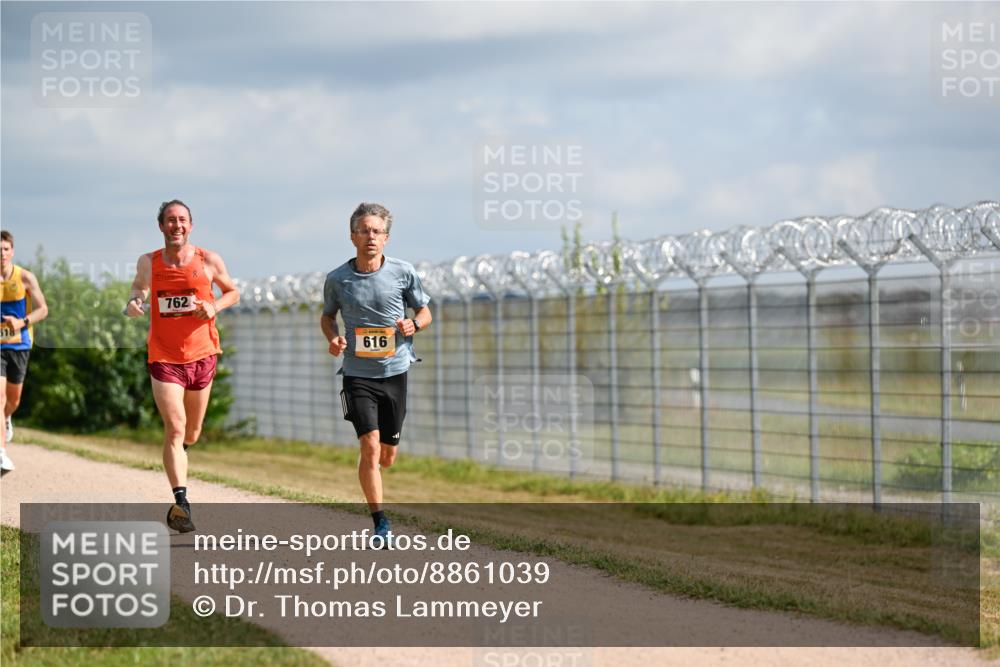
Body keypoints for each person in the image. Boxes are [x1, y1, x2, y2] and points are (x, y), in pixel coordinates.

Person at [125, 200, 239, 532]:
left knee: (192, 432)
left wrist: (213, 306)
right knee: (175, 428)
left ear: (191, 225)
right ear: (161, 226)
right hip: (164, 357)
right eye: (171, 220)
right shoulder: (149, 262)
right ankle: (181, 502)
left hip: (202, 355)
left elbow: (233, 292)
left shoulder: (208, 260)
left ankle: (180, 454)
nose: (177, 225)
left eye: (182, 220)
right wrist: (135, 302)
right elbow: (138, 288)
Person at [321, 203, 431, 543]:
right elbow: (328, 317)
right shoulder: (337, 279)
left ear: (386, 238)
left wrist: (414, 324)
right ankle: (380, 523)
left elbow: (425, 311)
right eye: (364, 230)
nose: (371, 236)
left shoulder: (402, 272)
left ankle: (379, 478)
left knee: (387, 455)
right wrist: (333, 338)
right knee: (368, 447)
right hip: (356, 374)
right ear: (353, 236)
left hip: (395, 371)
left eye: (377, 231)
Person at [0, 230, 49, 473]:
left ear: (12, 251)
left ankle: (7, 418)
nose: (1, 254)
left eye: (5, 249)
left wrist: (21, 323)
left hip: (20, 344)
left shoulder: (25, 277)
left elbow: (43, 310)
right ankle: (1, 453)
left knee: (13, 401)